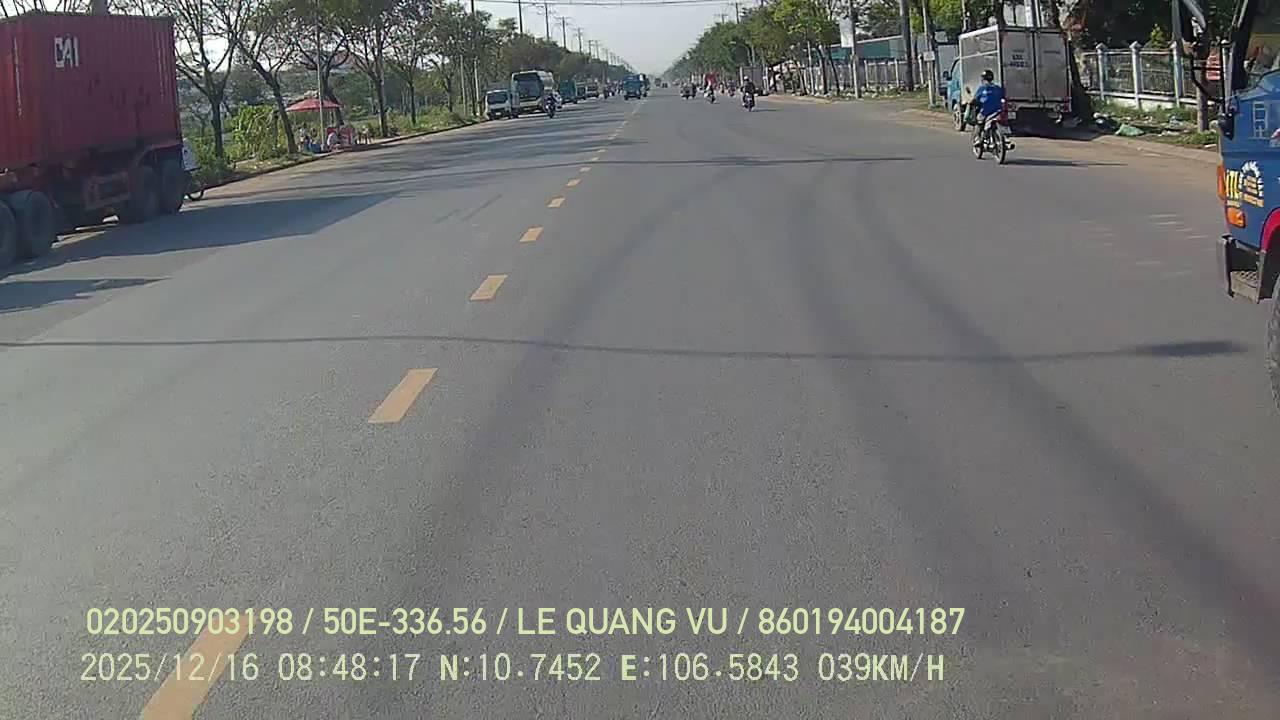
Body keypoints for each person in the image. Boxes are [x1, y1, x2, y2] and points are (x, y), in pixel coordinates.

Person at [969, 69, 1006, 147]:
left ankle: (978, 139)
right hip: (998, 111)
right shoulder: (997, 88)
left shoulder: (982, 88)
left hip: (985, 112)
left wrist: (972, 102)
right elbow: (1003, 97)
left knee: (979, 121)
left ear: (983, 79)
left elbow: (975, 99)